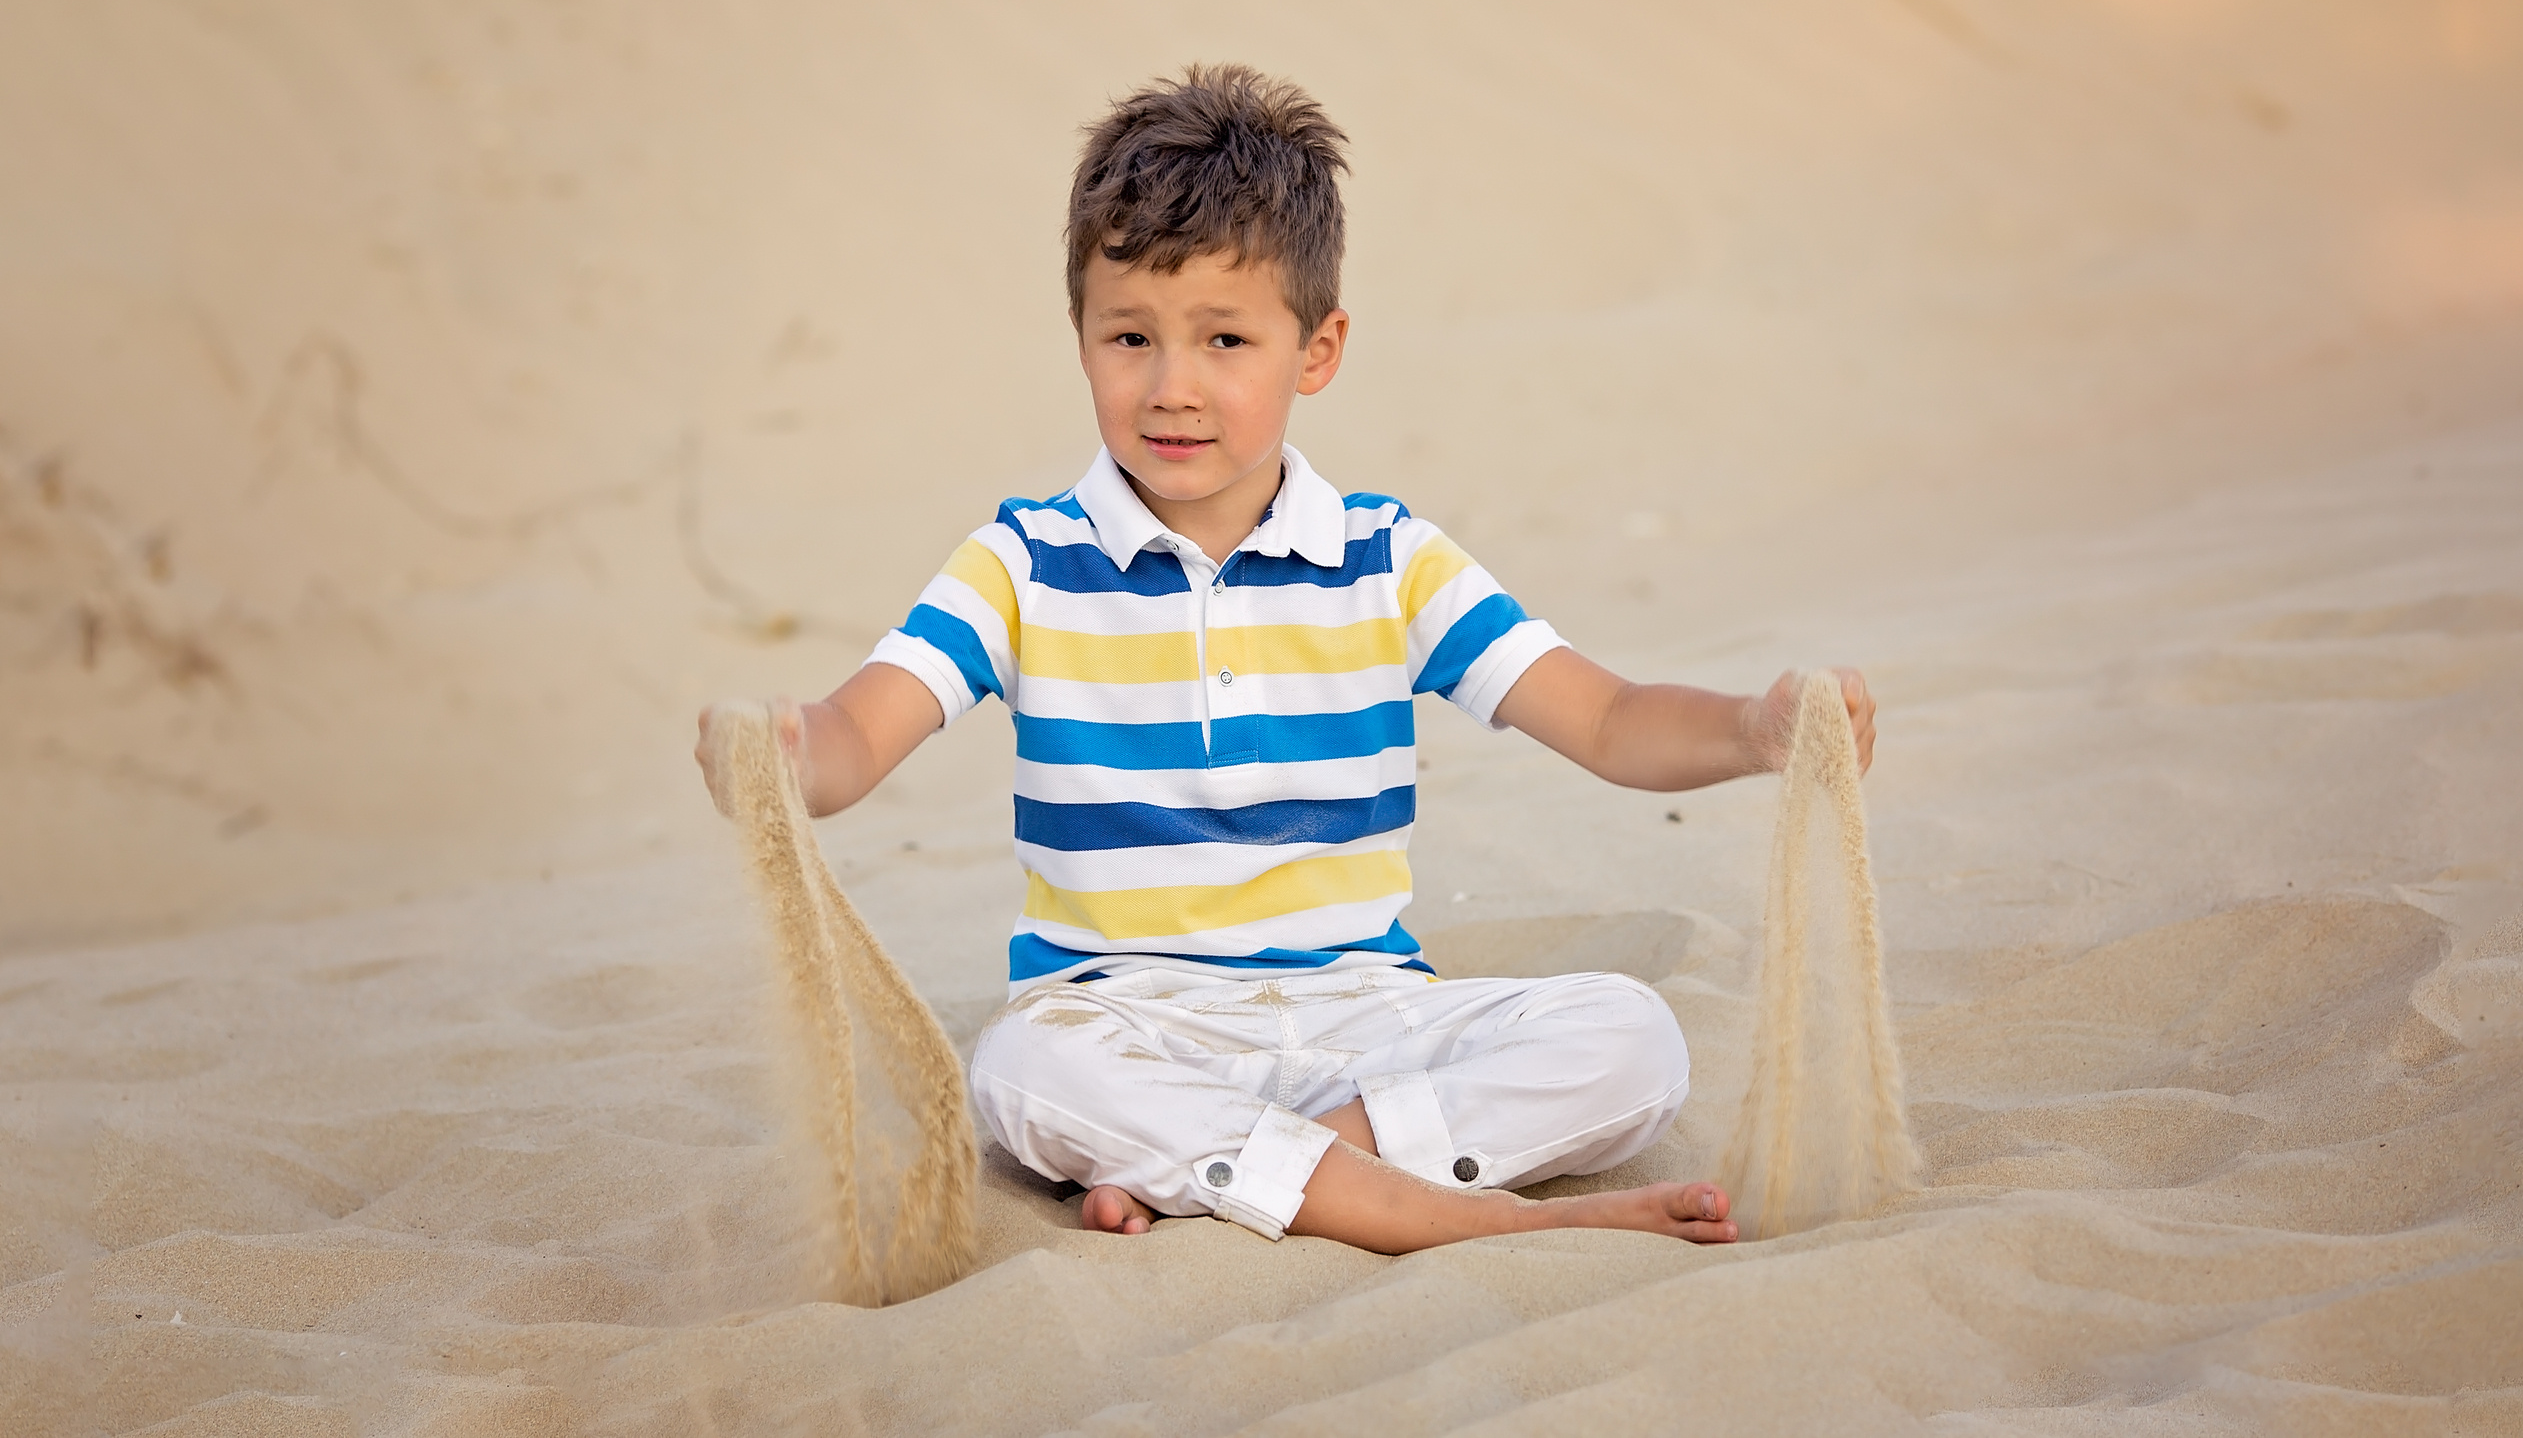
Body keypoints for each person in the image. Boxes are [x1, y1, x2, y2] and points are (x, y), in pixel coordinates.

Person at [694, 64, 1875, 1253]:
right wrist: (784, 753)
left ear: (1317, 348)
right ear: (1081, 338)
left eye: (1225, 339)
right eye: (1129, 337)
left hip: (1364, 1021)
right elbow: (855, 739)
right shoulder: (1022, 566)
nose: (1173, 387)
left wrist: (1752, 730)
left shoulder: (1386, 560)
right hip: (1130, 1025)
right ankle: (1433, 1210)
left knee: (1630, 1039)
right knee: (1020, 1071)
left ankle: (1251, 1172)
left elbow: (1610, 720)